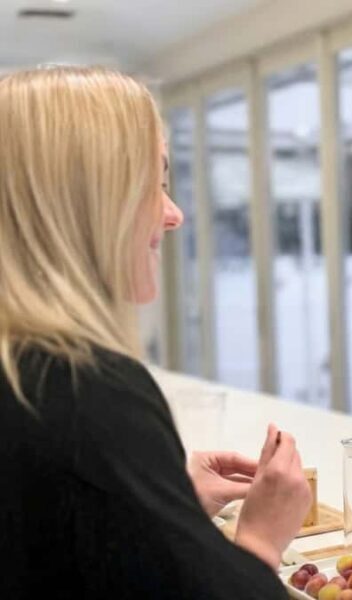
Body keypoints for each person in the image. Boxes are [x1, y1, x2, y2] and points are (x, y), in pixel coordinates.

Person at [0, 66, 311, 598]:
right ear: (85, 202)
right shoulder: (84, 390)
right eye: (154, 185)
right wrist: (262, 539)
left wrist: (160, 504)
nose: (174, 215)